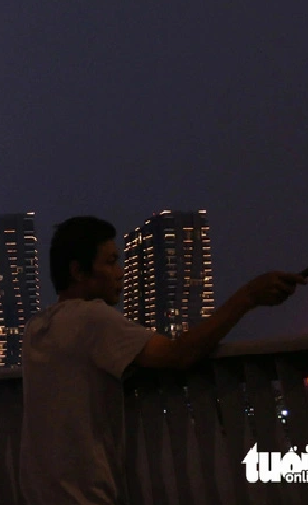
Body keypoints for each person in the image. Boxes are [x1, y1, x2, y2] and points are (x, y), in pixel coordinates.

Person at [19, 216, 306, 505]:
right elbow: (179, 354)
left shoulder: (37, 327)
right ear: (78, 271)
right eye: (110, 262)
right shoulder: (92, 318)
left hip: (37, 492)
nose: (120, 273)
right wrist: (249, 297)